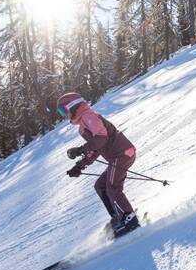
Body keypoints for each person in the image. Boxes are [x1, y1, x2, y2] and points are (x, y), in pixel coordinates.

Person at [56, 92, 140, 237]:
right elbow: (95, 149)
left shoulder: (89, 116)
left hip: (122, 154)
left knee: (112, 187)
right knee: (100, 186)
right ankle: (117, 216)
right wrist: (79, 166)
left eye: (63, 110)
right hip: (117, 157)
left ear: (72, 106)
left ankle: (129, 218)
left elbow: (101, 138)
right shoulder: (82, 126)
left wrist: (81, 149)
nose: (64, 115)